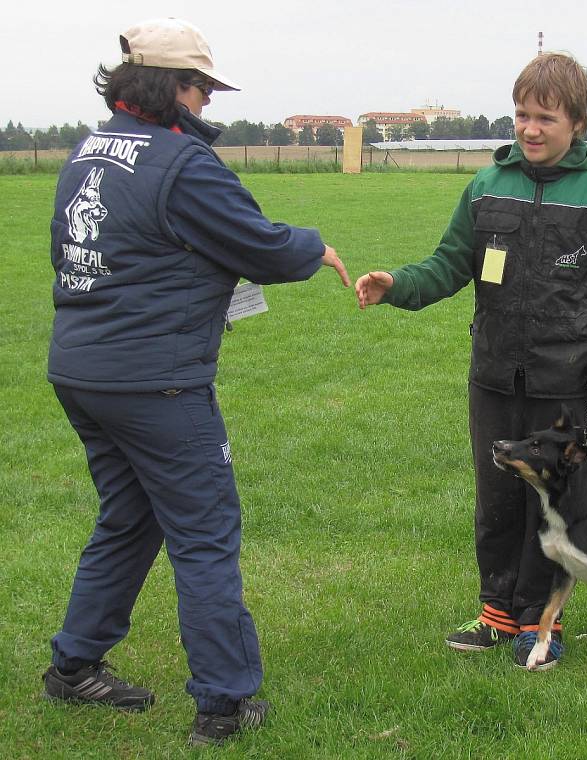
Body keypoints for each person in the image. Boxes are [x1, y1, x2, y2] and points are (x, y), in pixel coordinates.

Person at [42, 17, 350, 746]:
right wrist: (318, 246)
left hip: (81, 371)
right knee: (205, 534)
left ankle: (73, 666)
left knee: (130, 516)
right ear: (171, 87)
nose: (208, 102)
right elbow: (262, 245)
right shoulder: (184, 165)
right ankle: (225, 702)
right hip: (157, 385)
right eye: (202, 88)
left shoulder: (86, 151)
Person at [355, 52, 587, 670]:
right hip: (494, 376)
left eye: (545, 117)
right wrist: (398, 285)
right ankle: (496, 615)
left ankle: (542, 625)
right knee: (496, 500)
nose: (530, 129)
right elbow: (447, 265)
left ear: (577, 122)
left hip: (567, 384)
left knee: (557, 511)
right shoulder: (486, 187)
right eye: (522, 115)